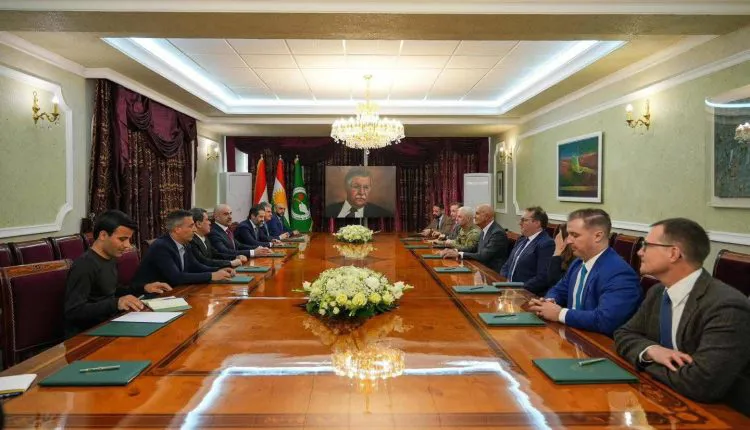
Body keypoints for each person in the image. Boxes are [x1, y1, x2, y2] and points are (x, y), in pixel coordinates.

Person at [615, 218, 750, 404]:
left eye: (647, 245)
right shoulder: (658, 292)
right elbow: (623, 334)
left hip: (718, 411)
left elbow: (701, 383)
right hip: (663, 396)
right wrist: (651, 350)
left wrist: (643, 361)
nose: (639, 251)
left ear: (673, 253)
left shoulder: (727, 306)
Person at [528, 208, 641, 337]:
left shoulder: (619, 273)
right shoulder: (578, 263)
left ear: (598, 236)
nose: (568, 240)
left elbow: (606, 320)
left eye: (575, 235)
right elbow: (559, 289)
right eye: (569, 234)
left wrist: (559, 313)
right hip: (571, 335)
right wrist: (548, 302)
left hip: (597, 343)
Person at [64, 210, 172, 337]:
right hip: (88, 335)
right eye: (122, 239)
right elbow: (73, 311)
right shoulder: (84, 265)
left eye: (129, 239)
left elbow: (111, 290)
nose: (128, 246)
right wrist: (116, 303)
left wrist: (144, 288)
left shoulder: (110, 258)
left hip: (110, 324)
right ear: (103, 235)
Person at [133, 210, 234, 287]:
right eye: (191, 226)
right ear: (177, 229)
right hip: (152, 297)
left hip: (176, 291)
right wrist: (211, 275)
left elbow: (195, 266)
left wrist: (219, 270)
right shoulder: (161, 247)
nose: (194, 230)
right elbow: (176, 277)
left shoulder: (185, 243)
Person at [499, 206, 555, 295]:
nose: (520, 223)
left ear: (537, 223)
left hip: (526, 294)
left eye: (524, 220)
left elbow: (542, 277)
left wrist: (518, 289)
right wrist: (503, 280)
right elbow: (508, 264)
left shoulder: (546, 243)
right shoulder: (521, 239)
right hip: (508, 290)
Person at [441, 204, 509, 273]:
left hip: (492, 273)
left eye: (477, 214)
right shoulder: (485, 229)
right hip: (481, 268)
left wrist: (459, 254)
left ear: (486, 217)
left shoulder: (497, 233)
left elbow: (483, 256)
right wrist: (454, 251)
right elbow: (473, 249)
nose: (474, 216)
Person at [324, 167, 390, 218]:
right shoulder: (328, 211)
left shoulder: (383, 214)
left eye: (366, 187)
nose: (361, 193)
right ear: (346, 187)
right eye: (356, 186)